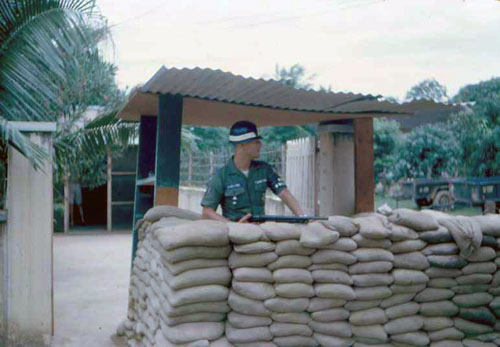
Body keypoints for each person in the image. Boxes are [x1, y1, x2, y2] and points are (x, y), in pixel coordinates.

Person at [201, 120, 305, 222]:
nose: (260, 145)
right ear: (241, 145)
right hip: (235, 234)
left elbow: (284, 193)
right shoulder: (221, 176)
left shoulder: (264, 169)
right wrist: (232, 226)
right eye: (256, 142)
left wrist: (303, 217)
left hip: (260, 231)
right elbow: (207, 212)